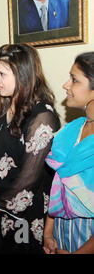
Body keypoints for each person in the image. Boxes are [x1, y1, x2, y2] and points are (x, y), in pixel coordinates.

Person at [0, 43, 61, 254]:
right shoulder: (3, 106)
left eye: (2, 74)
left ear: (22, 75)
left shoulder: (43, 117)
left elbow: (29, 177)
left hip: (25, 215)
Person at [43, 52, 94, 254]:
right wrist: (48, 234)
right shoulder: (70, 131)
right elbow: (59, 186)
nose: (66, 85)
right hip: (62, 235)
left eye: (74, 80)